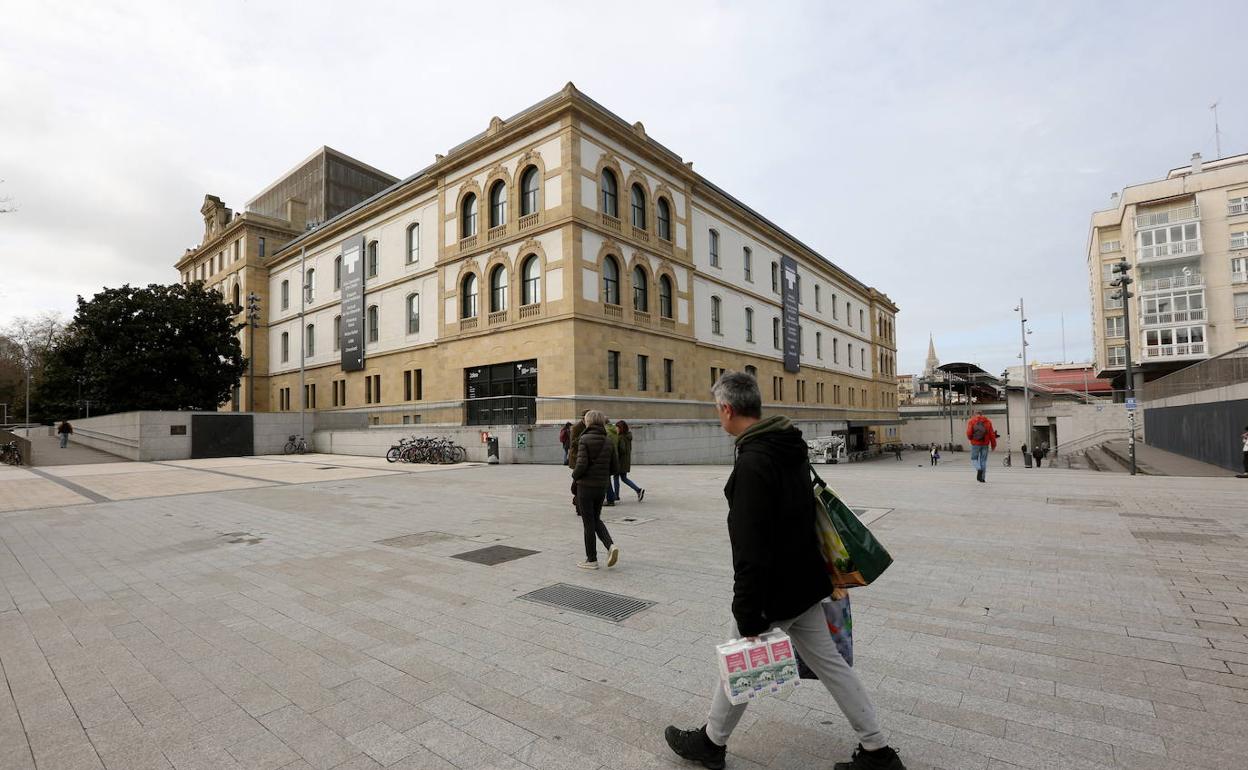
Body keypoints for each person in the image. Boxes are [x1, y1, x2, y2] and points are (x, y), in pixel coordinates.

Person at [664, 372, 905, 770]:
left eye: (717, 410)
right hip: (805, 582)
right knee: (831, 667)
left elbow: (751, 546)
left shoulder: (754, 461)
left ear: (727, 409)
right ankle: (877, 750)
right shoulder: (788, 445)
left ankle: (711, 743)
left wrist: (748, 610)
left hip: (774, 591)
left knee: (741, 665)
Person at [570, 410, 620, 570]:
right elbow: (615, 468)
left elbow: (581, 465)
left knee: (588, 524)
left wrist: (574, 475)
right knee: (596, 519)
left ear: (588, 422)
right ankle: (610, 545)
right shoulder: (608, 441)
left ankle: (591, 559)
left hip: (585, 486)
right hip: (601, 486)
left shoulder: (584, 439)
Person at [613, 420, 646, 503]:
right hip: (625, 461)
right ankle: (638, 490)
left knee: (616, 477)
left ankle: (616, 495)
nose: (615, 429)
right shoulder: (628, 436)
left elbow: (622, 450)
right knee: (624, 478)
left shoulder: (621, 437)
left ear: (621, 428)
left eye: (617, 427)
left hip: (620, 461)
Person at [966, 410, 996, 483]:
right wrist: (993, 445)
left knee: (974, 459)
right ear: (982, 414)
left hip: (975, 443)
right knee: (983, 461)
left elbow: (969, 433)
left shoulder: (972, 421)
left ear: (975, 414)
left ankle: (978, 469)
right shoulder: (988, 422)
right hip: (985, 444)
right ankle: (982, 478)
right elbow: (992, 434)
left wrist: (970, 438)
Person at [604, 418, 621, 506]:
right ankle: (613, 496)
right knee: (610, 478)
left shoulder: (606, 431)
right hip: (614, 455)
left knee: (607, 479)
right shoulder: (614, 430)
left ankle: (610, 499)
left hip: (608, 456)